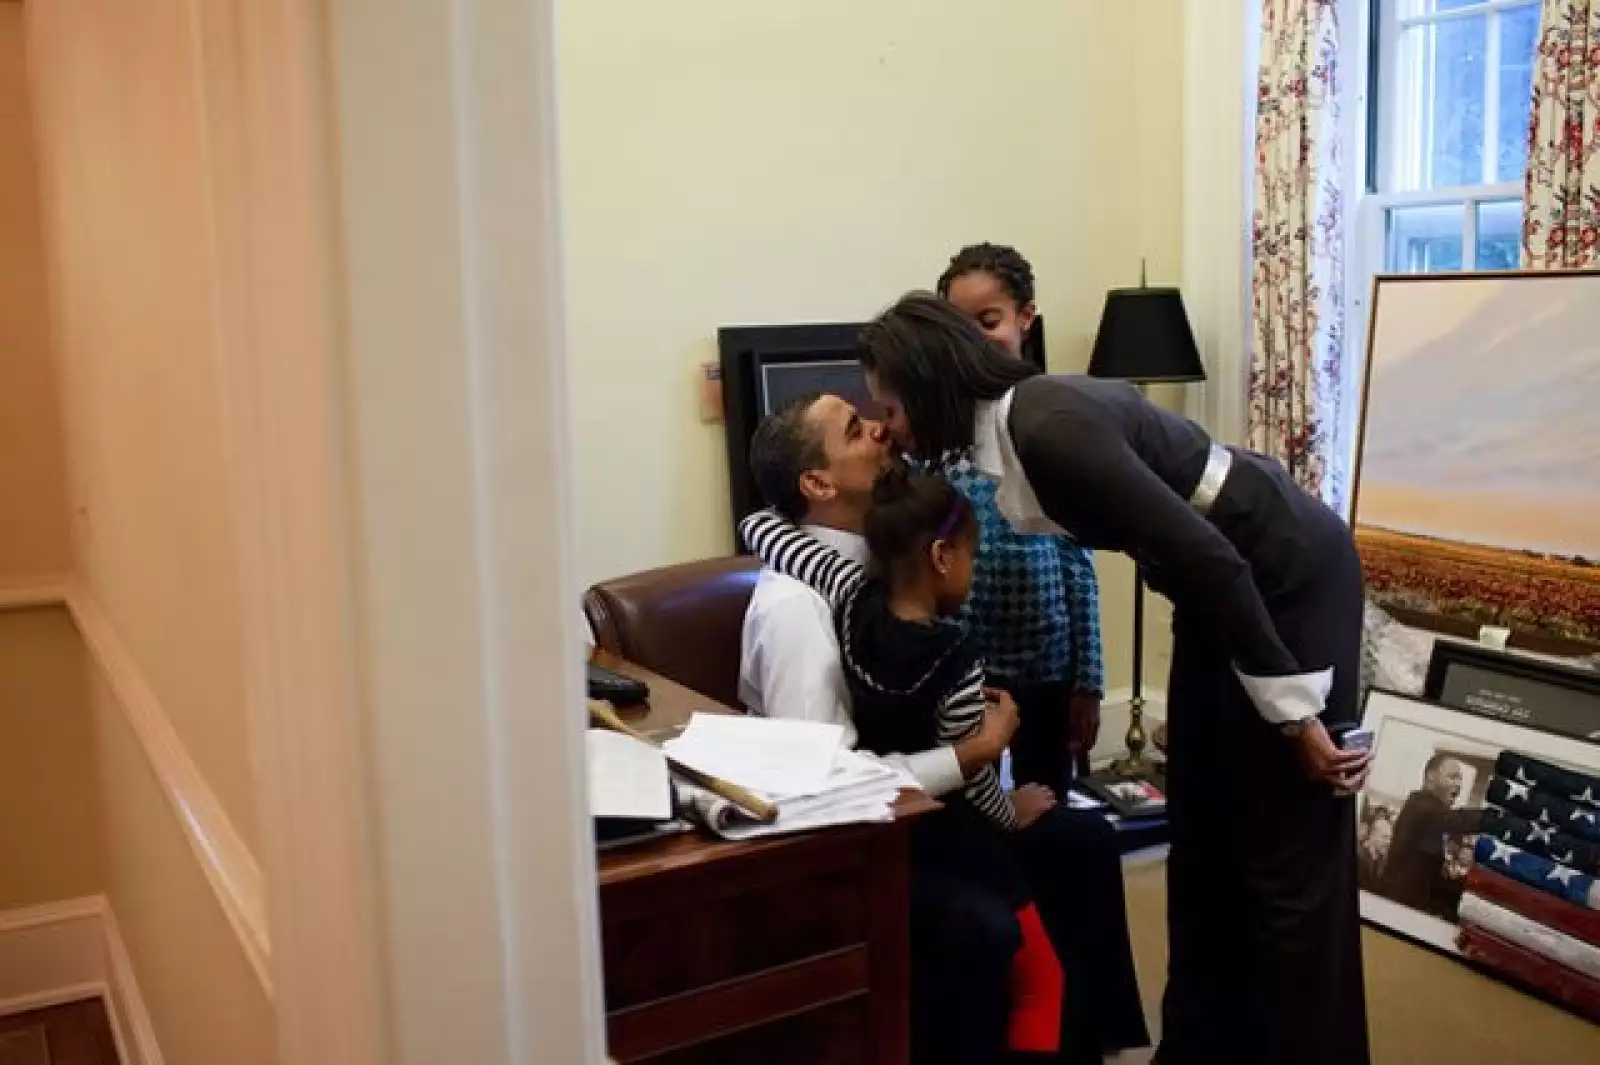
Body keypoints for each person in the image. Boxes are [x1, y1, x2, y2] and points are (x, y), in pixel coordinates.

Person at [854, 292, 1376, 1065]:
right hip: (1216, 587)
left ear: (927, 385)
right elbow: (1192, 562)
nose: (888, 427)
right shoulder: (1014, 428)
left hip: (1286, 578)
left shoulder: (1044, 424)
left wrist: (1296, 719)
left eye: (889, 407)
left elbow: (1214, 557)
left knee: (1280, 853)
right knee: (1203, 835)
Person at [740, 392, 1029, 1065]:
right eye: (854, 429)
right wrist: (970, 754)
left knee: (1079, 841)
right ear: (817, 482)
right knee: (986, 922)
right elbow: (822, 786)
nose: (880, 427)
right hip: (852, 846)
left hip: (923, 811)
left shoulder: (883, 561)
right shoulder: (793, 610)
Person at [935, 243, 1104, 787]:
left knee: (1046, 796)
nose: (972, 340)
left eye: (988, 321)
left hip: (1046, 662)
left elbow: (1078, 558)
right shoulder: (940, 430)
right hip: (965, 661)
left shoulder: (1048, 420)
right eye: (958, 326)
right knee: (980, 800)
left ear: (1025, 317)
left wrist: (1089, 680)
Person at [1380, 754, 1482, 919]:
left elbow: (1431, 879)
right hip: (1397, 910)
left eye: (1460, 779)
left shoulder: (1433, 825)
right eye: (1452, 777)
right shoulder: (1419, 805)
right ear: (1431, 777)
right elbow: (1454, 820)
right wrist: (1494, 819)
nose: (1459, 784)